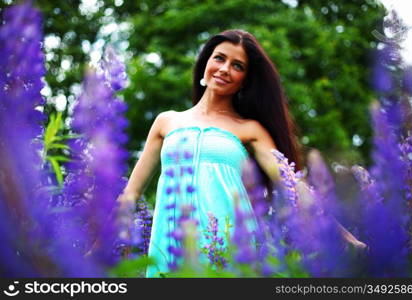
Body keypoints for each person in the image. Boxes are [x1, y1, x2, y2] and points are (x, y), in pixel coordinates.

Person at [118, 29, 363, 277]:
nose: (225, 69)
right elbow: (131, 193)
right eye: (219, 58)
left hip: (230, 249)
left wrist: (342, 235)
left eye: (237, 66)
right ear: (205, 62)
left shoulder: (250, 130)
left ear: (245, 79)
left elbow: (291, 185)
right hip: (171, 249)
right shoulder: (166, 121)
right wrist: (98, 247)